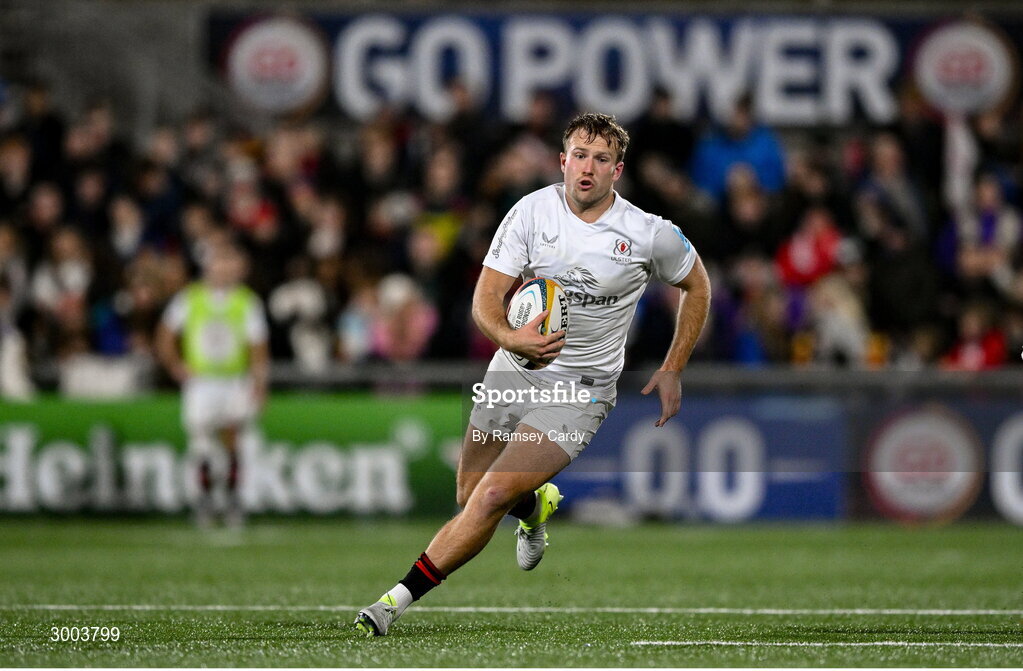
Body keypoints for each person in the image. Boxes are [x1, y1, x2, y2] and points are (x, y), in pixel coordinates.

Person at [354, 112, 711, 636]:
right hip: (513, 367)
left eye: (602, 159)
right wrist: (510, 338)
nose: (588, 168)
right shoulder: (530, 211)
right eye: (580, 156)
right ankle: (535, 508)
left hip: (580, 391)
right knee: (469, 491)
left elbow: (697, 286)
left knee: (491, 496)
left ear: (618, 170)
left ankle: (394, 601)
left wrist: (673, 366)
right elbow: (486, 297)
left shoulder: (647, 233)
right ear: (562, 161)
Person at [155, 238, 269, 528]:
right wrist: (174, 365)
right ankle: (204, 499)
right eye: (218, 262)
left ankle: (232, 499)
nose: (223, 269)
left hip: (234, 380)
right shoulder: (190, 298)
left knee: (233, 441)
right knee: (201, 442)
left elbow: (258, 346)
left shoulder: (246, 301)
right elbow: (165, 335)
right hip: (202, 382)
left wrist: (259, 382)